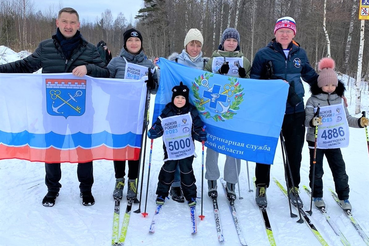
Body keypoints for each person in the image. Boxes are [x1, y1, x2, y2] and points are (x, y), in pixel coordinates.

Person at [0, 7, 109, 207]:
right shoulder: (45, 47)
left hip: (82, 112)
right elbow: (24, 66)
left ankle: (86, 190)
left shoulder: (89, 49)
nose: (68, 26)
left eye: (72, 22)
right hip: (53, 111)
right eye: (65, 21)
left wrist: (89, 69)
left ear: (78, 25)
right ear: (57, 23)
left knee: (84, 151)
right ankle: (52, 189)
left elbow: (106, 73)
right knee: (52, 150)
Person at [250, 17, 318, 208]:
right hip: (270, 111)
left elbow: (311, 77)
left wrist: (334, 90)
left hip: (295, 111)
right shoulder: (263, 54)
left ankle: (293, 187)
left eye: (288, 31)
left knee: (294, 152)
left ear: (293, 34)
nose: (285, 34)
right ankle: (261, 186)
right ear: (275, 33)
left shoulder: (300, 54)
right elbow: (254, 83)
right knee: (264, 149)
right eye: (281, 31)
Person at [305, 57, 369, 210]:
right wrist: (314, 121)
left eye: (333, 85)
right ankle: (317, 195)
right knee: (317, 169)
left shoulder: (339, 100)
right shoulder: (312, 100)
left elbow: (346, 118)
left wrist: (360, 122)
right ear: (320, 84)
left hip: (334, 140)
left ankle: (344, 196)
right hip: (316, 141)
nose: (330, 88)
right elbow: (307, 120)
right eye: (326, 85)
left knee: (339, 168)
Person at [107, 28, 158, 202]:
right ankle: (119, 180)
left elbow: (156, 88)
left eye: (137, 41)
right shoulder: (115, 62)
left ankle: (132, 181)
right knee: (119, 148)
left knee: (135, 149)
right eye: (130, 41)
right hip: (117, 114)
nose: (134, 44)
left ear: (141, 43)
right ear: (125, 43)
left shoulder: (148, 64)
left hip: (137, 115)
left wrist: (152, 82)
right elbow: (104, 84)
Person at [203, 27, 251, 202]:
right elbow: (205, 81)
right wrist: (218, 76)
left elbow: (250, 86)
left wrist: (244, 77)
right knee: (213, 144)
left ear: (238, 43)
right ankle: (212, 179)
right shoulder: (213, 59)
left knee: (233, 145)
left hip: (235, 109)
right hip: (215, 107)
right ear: (223, 41)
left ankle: (231, 181)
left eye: (234, 40)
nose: (231, 43)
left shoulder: (244, 61)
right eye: (228, 40)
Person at [148, 82, 207, 206]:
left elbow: (197, 127)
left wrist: (200, 134)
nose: (180, 100)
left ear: (186, 99)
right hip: (171, 148)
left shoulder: (191, 111)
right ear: (173, 98)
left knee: (186, 170)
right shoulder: (168, 110)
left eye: (183, 98)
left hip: (186, 147)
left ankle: (190, 195)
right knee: (168, 169)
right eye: (177, 97)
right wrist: (154, 132)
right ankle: (162, 193)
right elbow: (160, 124)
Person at [167, 28, 207, 203]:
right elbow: (163, 80)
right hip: (176, 113)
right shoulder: (175, 61)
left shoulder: (205, 64)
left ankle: (185, 181)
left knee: (188, 150)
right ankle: (175, 184)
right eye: (192, 44)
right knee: (175, 149)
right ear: (186, 44)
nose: (195, 48)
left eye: (198, 45)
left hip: (195, 113)